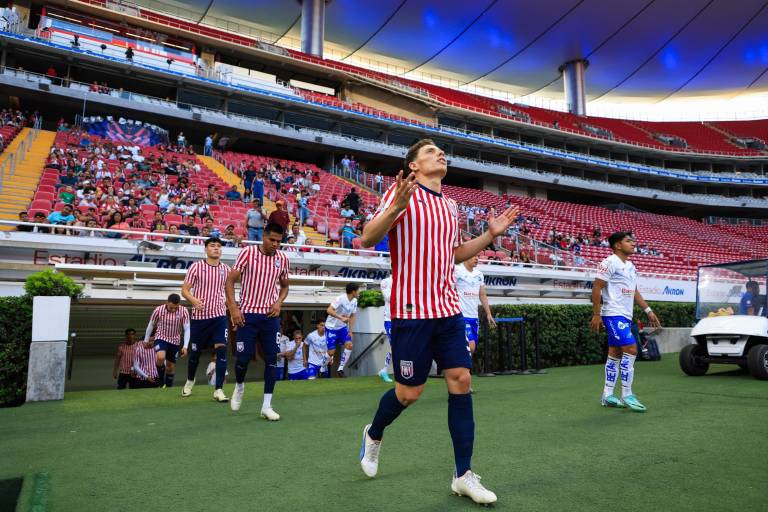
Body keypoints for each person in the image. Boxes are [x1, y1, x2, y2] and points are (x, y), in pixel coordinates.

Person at [357, 138, 517, 504]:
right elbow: (368, 237)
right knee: (409, 394)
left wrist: (490, 235)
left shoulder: (450, 205)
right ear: (413, 165)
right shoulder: (401, 194)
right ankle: (374, 432)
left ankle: (463, 475)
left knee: (461, 380)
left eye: (441, 151)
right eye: (429, 152)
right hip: (411, 312)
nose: (440, 154)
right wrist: (395, 205)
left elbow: (455, 254)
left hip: (448, 310)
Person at [590, 231, 661, 413]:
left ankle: (607, 395)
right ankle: (627, 394)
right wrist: (597, 314)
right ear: (617, 245)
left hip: (625, 315)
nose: (633, 243)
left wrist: (648, 310)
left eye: (633, 241)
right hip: (613, 314)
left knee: (614, 353)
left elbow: (634, 290)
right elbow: (597, 287)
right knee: (631, 349)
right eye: (628, 241)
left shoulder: (630, 266)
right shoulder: (609, 262)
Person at [225, 223, 290, 420]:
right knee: (243, 360)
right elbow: (229, 281)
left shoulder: (282, 259)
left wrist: (279, 302)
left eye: (279, 241)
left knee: (272, 359)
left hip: (270, 318)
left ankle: (266, 405)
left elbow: (285, 286)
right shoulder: (247, 253)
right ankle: (239, 386)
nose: (275, 244)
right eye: (272, 240)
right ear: (263, 236)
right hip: (248, 316)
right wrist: (234, 308)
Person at [181, 237, 231, 402]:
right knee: (194, 354)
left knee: (221, 350)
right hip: (200, 318)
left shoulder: (226, 269)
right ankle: (190, 380)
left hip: (219, 317)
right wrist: (193, 300)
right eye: (212, 246)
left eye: (218, 246)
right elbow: (185, 290)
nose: (216, 248)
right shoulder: (196, 267)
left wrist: (234, 310)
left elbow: (229, 293)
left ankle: (218, 389)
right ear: (206, 249)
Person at [144, 293, 191, 388]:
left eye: (175, 308)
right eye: (171, 307)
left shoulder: (183, 311)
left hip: (175, 341)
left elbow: (187, 329)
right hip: (161, 337)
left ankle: (169, 387)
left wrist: (185, 346)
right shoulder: (158, 310)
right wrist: (146, 339)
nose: (173, 310)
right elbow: (151, 324)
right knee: (161, 357)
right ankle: (161, 382)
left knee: (170, 367)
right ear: (167, 302)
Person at [455, 255, 495, 356]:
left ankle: (458, 368)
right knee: (470, 346)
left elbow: (482, 294)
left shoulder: (479, 274)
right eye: (473, 256)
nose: (476, 258)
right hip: (461, 316)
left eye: (477, 256)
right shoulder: (457, 270)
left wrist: (489, 314)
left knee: (471, 349)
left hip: (474, 317)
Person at [325, 282, 359, 377]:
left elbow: (352, 316)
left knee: (349, 345)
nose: (358, 292)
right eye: (357, 290)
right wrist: (341, 318)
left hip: (343, 328)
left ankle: (340, 369)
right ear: (353, 291)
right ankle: (323, 368)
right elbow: (329, 310)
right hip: (331, 327)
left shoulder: (355, 301)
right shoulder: (340, 299)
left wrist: (350, 330)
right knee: (331, 352)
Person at [377, 276, 393, 383]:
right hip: (390, 320)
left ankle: (384, 370)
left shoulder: (406, 279)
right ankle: (385, 370)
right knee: (395, 346)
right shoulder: (385, 281)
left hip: (403, 318)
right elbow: (388, 297)